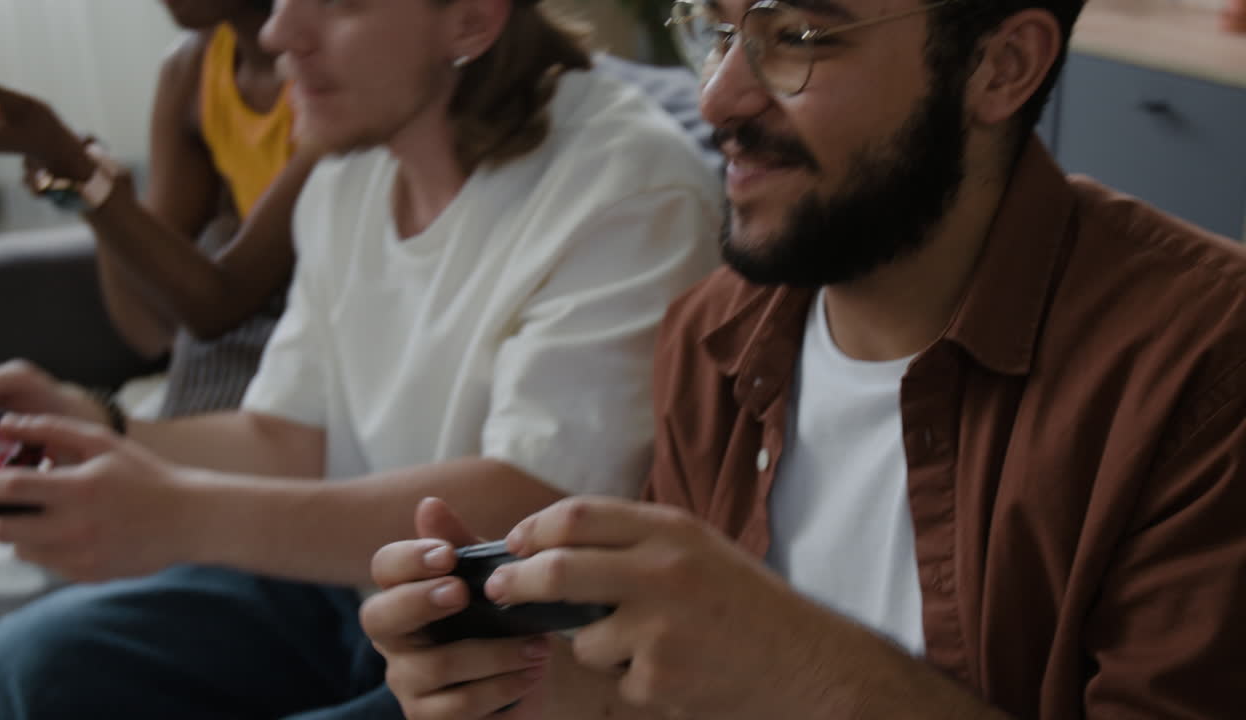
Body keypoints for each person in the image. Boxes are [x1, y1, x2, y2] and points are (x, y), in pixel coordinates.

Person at [362, 0, 1246, 718]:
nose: (717, 98)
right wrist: (559, 697)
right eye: (716, 30)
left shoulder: (1205, 368)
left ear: (1000, 66)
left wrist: (802, 667)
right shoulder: (714, 332)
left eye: (798, 37)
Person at [0, 0, 720, 717]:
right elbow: (287, 436)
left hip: (507, 648)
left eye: (339, 1)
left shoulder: (628, 181)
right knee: (35, 661)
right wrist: (97, 422)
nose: (278, 32)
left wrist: (182, 516)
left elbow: (533, 498)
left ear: (471, 18)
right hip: (356, 591)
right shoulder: (348, 166)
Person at [0, 0, 312, 417]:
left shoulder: (326, 79)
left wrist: (81, 172)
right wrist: (92, 184)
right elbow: (149, 328)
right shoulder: (192, 68)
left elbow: (220, 306)